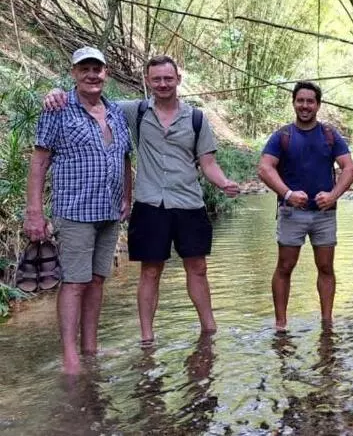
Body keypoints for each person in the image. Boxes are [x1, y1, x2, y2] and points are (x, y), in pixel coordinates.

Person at [44, 55, 240, 346]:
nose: (163, 84)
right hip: (149, 204)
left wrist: (224, 183)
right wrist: (54, 93)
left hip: (189, 202)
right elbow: (89, 96)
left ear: (178, 80)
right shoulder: (132, 111)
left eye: (168, 78)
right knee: (150, 270)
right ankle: (147, 338)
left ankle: (209, 330)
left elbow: (208, 163)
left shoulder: (197, 119)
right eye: (157, 79)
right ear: (147, 81)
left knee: (197, 268)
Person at [26, 46, 132, 374]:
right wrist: (34, 212)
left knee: (98, 280)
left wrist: (128, 196)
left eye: (97, 69)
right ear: (73, 73)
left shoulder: (115, 111)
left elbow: (125, 156)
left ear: (106, 73)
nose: (91, 74)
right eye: (84, 69)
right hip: (74, 211)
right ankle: (70, 358)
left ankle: (91, 348)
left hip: (109, 211)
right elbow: (40, 159)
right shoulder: (58, 108)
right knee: (74, 283)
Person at [257, 81, 353, 332]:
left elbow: (349, 168)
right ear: (294, 103)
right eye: (300, 101)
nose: (305, 106)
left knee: (325, 267)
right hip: (292, 212)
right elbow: (264, 168)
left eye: (310, 101)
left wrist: (333, 195)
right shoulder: (283, 136)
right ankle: (280, 324)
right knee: (284, 267)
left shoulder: (330, 135)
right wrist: (287, 193)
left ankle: (326, 322)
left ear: (318, 105)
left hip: (324, 213)